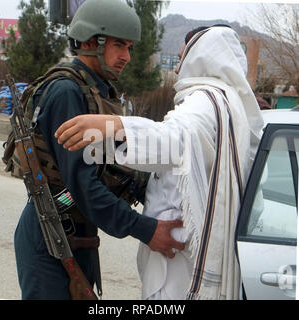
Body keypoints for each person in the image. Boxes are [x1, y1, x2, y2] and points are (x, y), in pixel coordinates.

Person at [55, 26, 265, 300]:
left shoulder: (205, 101)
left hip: (178, 258)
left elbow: (174, 139)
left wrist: (115, 125)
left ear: (202, 57)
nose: (177, 69)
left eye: (182, 58)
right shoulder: (230, 105)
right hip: (189, 246)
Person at [13, 0, 184, 300]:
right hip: (50, 234)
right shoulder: (66, 93)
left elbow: (118, 165)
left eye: (129, 47)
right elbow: (82, 184)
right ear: (92, 41)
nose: (127, 57)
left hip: (78, 235)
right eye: (120, 45)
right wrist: (145, 229)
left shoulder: (97, 92)